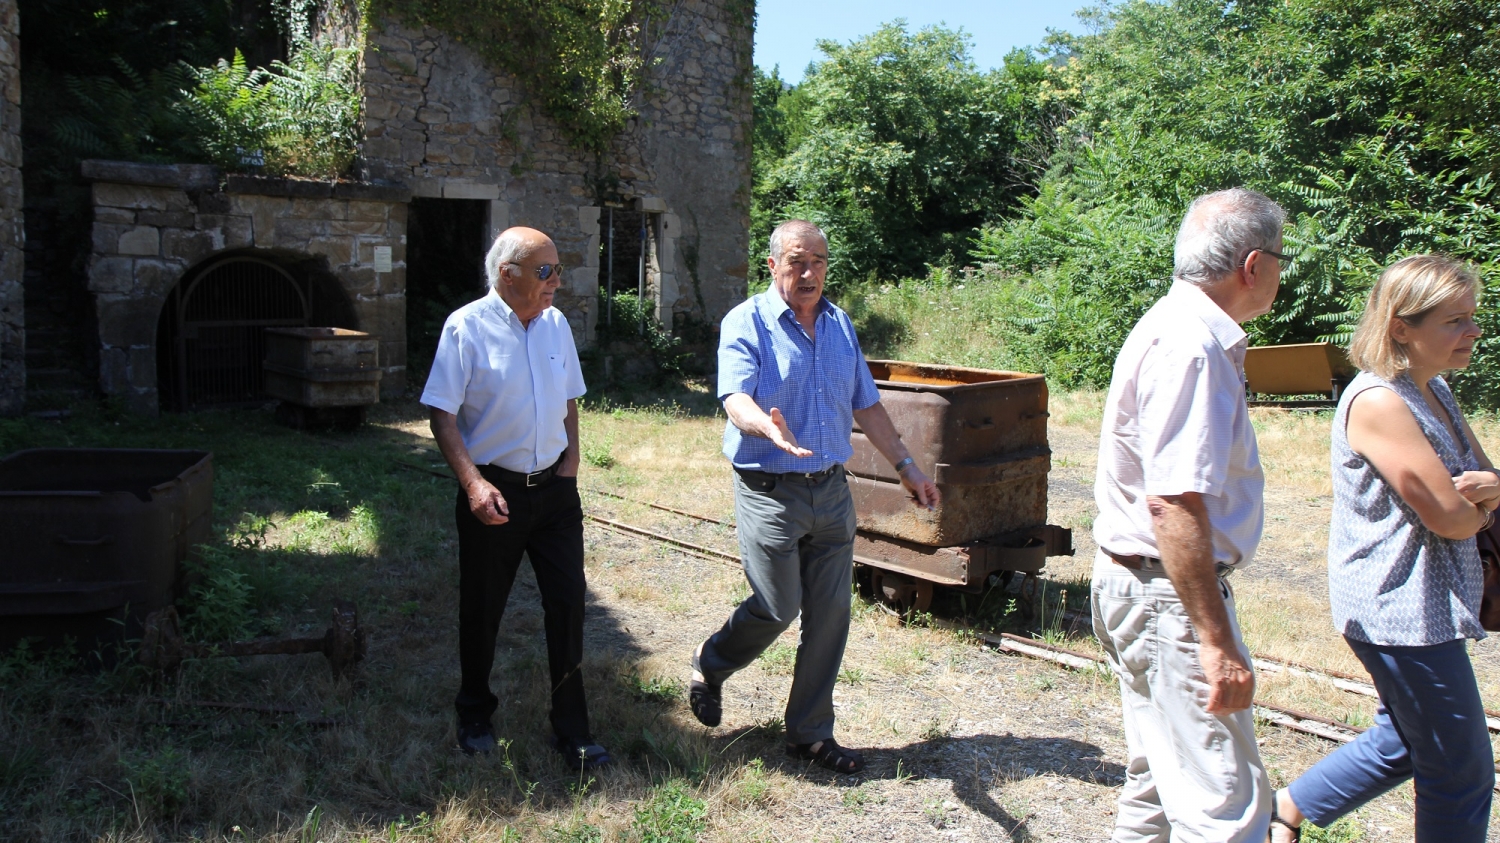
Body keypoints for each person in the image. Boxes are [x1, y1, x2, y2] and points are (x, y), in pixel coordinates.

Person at [689, 219, 939, 774]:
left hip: (830, 489)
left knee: (830, 615)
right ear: (773, 264)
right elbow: (734, 396)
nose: (809, 273)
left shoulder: (839, 324)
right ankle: (711, 662)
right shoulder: (747, 321)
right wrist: (766, 428)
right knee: (779, 606)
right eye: (797, 262)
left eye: (818, 263)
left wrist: (906, 467)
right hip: (769, 488)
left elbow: (866, 404)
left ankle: (808, 735)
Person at [1267, 255, 1498, 842]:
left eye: (1472, 318)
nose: (1474, 331)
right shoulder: (1379, 402)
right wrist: (1477, 500)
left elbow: (1485, 479)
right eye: (1455, 321)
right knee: (1462, 771)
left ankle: (1286, 810)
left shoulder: (1435, 391)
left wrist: (1483, 495)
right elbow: (1449, 518)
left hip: (1428, 604)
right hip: (1399, 610)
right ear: (1401, 326)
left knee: (1404, 740)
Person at [1092, 188, 1287, 842]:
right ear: (1252, 265)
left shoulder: (1180, 329)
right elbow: (1173, 502)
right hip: (1165, 596)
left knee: (1155, 788)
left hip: (1148, 589)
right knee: (1224, 809)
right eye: (1281, 260)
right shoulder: (1193, 346)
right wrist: (1213, 637)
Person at [421, 226, 611, 771]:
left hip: (554, 492)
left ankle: (572, 729)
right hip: (493, 493)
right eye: (546, 270)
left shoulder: (556, 326)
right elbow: (442, 413)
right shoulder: (467, 327)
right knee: (483, 608)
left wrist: (572, 460)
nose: (557, 281)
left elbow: (571, 400)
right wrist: (474, 484)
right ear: (508, 274)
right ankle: (475, 713)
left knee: (569, 605)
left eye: (557, 269)